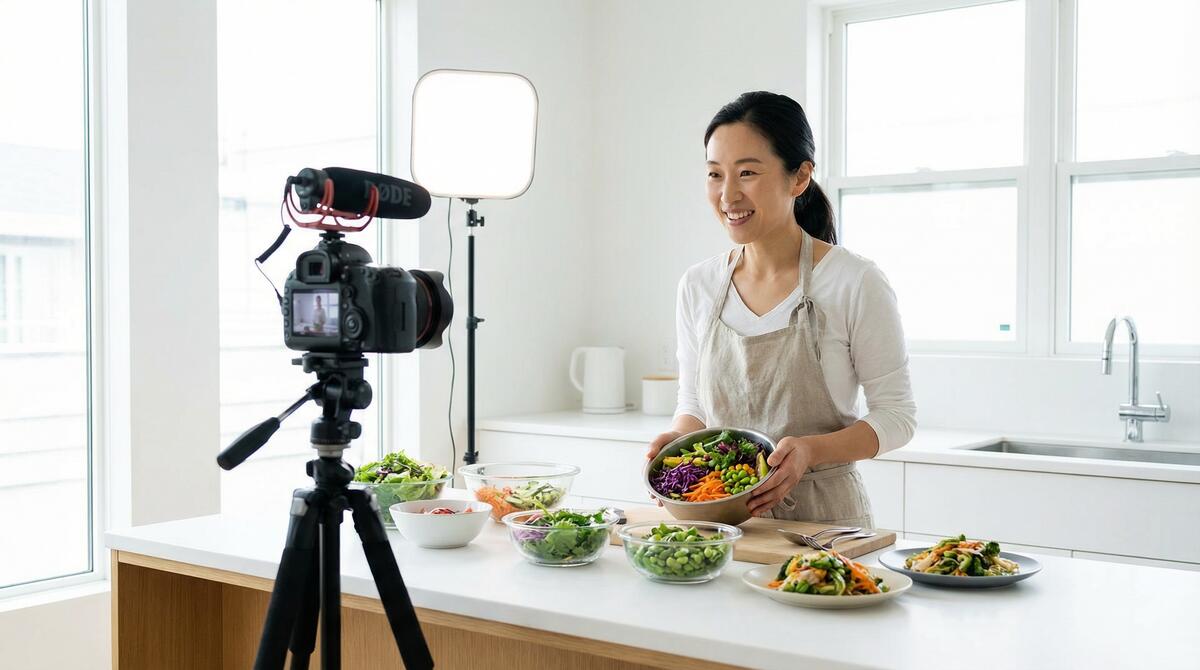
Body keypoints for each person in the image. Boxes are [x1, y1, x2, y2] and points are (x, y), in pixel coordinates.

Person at [646, 91, 917, 527]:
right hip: (721, 525)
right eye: (715, 174)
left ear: (800, 177)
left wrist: (811, 451)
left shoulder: (854, 281)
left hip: (825, 530)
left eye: (747, 173)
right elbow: (694, 402)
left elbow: (897, 417)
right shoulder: (699, 285)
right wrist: (677, 440)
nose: (727, 195)